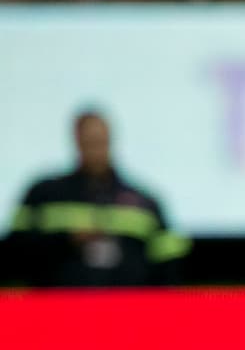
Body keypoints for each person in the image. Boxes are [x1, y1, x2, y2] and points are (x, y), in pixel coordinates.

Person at [8, 109, 188, 287]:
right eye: (89, 142)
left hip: (128, 303)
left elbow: (170, 264)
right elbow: (14, 251)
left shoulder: (145, 202)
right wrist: (67, 240)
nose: (96, 150)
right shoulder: (44, 194)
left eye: (100, 142)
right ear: (77, 141)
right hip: (57, 302)